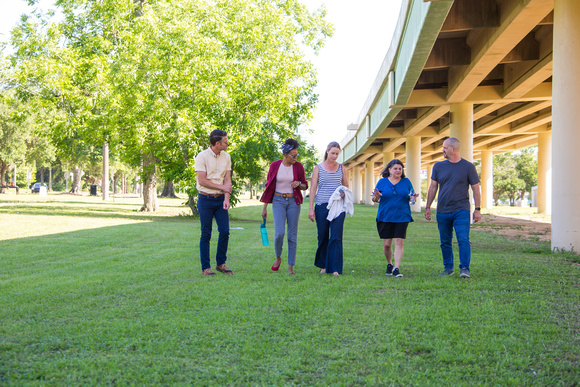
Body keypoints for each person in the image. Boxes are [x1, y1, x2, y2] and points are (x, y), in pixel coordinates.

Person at [425, 137, 482, 278]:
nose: (442, 150)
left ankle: (464, 269)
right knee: (445, 241)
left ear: (453, 149)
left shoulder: (468, 167)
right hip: (443, 210)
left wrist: (478, 209)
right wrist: (427, 206)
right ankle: (448, 268)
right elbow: (433, 187)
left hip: (461, 209)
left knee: (463, 239)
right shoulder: (438, 166)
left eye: (445, 147)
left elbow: (476, 189)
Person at [260, 139, 309, 274]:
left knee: (292, 236)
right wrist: (264, 208)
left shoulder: (298, 166)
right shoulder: (275, 165)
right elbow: (269, 186)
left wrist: (299, 184)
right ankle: (278, 258)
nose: (296, 157)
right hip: (278, 201)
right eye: (293, 155)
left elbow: (305, 185)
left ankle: (290, 266)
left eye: (297, 155)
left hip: (293, 201)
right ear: (285, 155)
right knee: (279, 233)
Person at [194, 129, 233, 276]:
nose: (227, 143)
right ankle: (206, 267)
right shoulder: (202, 156)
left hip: (220, 200)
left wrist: (226, 198)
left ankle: (221, 264)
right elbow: (202, 180)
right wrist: (222, 187)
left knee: (225, 231)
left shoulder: (227, 156)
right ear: (217, 143)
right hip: (205, 199)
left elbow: (227, 179)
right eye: (225, 141)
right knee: (206, 234)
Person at [371, 159, 418, 278]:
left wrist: (413, 198)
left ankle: (396, 268)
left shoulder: (406, 182)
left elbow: (412, 200)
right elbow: (375, 200)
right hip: (385, 216)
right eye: (395, 168)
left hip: (402, 216)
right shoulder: (382, 182)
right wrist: (376, 197)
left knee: (399, 241)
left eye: (400, 169)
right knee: (387, 244)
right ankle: (389, 264)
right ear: (389, 170)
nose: (398, 171)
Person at [308, 141, 349, 276]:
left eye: (337, 154)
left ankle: (335, 268)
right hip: (322, 206)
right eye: (332, 153)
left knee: (336, 237)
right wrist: (311, 209)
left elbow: (346, 187)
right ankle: (323, 265)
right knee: (323, 236)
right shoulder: (318, 168)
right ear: (327, 151)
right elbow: (313, 188)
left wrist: (344, 193)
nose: (335, 156)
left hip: (338, 206)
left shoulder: (342, 168)